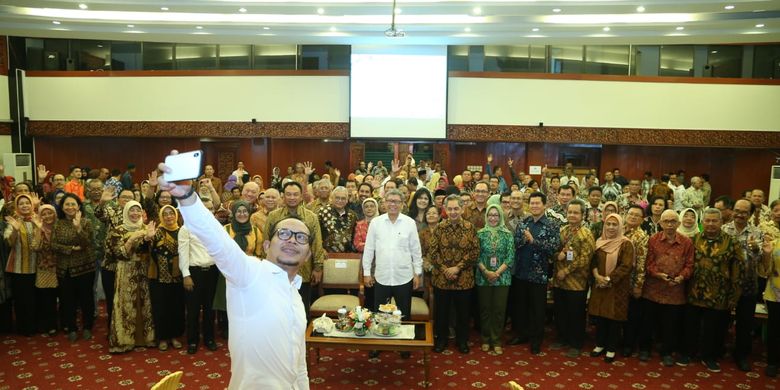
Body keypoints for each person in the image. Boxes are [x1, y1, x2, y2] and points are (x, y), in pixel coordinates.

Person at [158, 154, 311, 389]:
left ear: (308, 254)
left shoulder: (296, 298)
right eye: (283, 234)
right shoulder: (249, 273)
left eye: (301, 237)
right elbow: (216, 239)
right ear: (267, 245)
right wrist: (187, 196)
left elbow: (300, 366)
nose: (292, 240)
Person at [678, 208, 744, 373]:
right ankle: (688, 353)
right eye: (707, 221)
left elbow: (738, 270)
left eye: (714, 221)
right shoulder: (693, 240)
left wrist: (734, 296)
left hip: (719, 294)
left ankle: (709, 357)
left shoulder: (731, 242)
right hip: (694, 292)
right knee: (690, 326)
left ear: (721, 223)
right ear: (702, 222)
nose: (710, 224)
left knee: (713, 328)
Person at [362, 189, 423, 359]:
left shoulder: (410, 223)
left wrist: (417, 272)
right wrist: (367, 273)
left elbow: (416, 250)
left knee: (403, 313)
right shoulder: (376, 223)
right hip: (381, 276)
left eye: (397, 201)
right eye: (390, 201)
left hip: (404, 276)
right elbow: (369, 249)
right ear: (384, 203)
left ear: (402, 204)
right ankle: (378, 344)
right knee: (380, 313)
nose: (393, 204)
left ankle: (404, 344)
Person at [639, 209, 694, 367]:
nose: (669, 224)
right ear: (661, 223)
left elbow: (690, 265)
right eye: (666, 221)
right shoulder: (653, 240)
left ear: (678, 223)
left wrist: (681, 277)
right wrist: (658, 274)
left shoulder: (687, 242)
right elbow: (648, 263)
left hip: (675, 291)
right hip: (653, 288)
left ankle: (667, 352)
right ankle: (645, 349)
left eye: (673, 221)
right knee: (648, 322)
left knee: (671, 325)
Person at [509, 192, 561, 355]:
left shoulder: (552, 224)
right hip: (521, 272)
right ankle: (522, 335)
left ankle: (536, 340)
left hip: (539, 274)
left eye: (537, 203)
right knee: (521, 307)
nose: (534, 206)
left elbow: (553, 248)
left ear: (544, 205)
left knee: (537, 309)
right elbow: (515, 243)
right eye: (532, 203)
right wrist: (523, 240)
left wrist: (533, 241)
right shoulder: (524, 222)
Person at [430, 195, 479, 354]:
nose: (453, 212)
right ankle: (441, 340)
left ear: (462, 208)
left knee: (463, 313)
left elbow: (474, 252)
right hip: (441, 279)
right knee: (442, 312)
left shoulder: (470, 228)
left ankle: (462, 341)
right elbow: (433, 252)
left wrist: (457, 268)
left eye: (456, 208)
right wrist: (446, 269)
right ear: (444, 209)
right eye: (449, 209)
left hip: (463, 279)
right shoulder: (439, 228)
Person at [721, 199, 764, 371]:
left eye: (744, 212)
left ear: (751, 214)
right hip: (725, 284)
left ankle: (741, 355)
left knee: (745, 322)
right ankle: (718, 349)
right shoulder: (724, 229)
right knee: (721, 319)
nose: (739, 214)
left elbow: (760, 259)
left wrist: (755, 250)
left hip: (748, 283)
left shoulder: (757, 232)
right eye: (737, 210)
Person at [108, 201, 155, 353]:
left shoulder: (146, 228)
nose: (135, 214)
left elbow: (153, 253)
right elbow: (119, 254)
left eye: (137, 210)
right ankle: (125, 340)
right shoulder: (118, 230)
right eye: (131, 211)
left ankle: (146, 338)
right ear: (126, 212)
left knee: (145, 303)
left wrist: (149, 240)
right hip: (126, 270)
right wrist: (131, 239)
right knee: (126, 304)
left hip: (144, 270)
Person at [588, 213, 635, 364]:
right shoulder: (599, 242)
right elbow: (593, 261)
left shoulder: (626, 244)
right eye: (608, 224)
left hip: (617, 287)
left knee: (614, 318)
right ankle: (600, 344)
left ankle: (611, 348)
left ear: (620, 226)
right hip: (599, 285)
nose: (611, 227)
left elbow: (626, 266)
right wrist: (596, 276)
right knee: (601, 316)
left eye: (615, 225)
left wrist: (609, 279)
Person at [552, 199, 595, 358]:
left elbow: (586, 259)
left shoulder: (587, 233)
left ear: (583, 215)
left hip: (576, 282)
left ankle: (576, 343)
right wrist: (558, 255)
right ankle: (562, 338)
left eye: (576, 212)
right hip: (559, 281)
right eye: (570, 212)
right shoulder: (563, 230)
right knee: (561, 312)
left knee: (576, 314)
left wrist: (567, 270)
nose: (572, 215)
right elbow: (554, 251)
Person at [475, 204, 515, 355]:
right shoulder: (480, 234)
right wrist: (486, 272)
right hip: (483, 277)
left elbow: (510, 257)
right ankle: (485, 339)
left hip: (502, 278)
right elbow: (476, 256)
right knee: (485, 309)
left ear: (500, 217)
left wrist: (497, 273)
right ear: (487, 217)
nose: (493, 218)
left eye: (496, 215)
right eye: (490, 215)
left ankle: (496, 340)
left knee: (499, 310)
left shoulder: (507, 234)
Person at [179, 212, 219, 354]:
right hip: (194, 272)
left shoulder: (213, 227)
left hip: (212, 272)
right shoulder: (186, 228)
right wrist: (185, 274)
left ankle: (209, 339)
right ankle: (192, 341)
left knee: (210, 308)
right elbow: (183, 252)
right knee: (193, 309)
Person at [149, 205, 185, 351]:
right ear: (161, 216)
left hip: (178, 278)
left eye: (172, 213)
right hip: (159, 278)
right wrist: (147, 238)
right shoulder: (157, 232)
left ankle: (175, 336)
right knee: (161, 308)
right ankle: (162, 337)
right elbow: (144, 249)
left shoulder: (182, 231)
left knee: (177, 308)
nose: (169, 216)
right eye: (166, 214)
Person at [3, 194, 40, 336]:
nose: (25, 205)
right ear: (17, 207)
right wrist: (15, 230)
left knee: (35, 299)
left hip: (37, 266)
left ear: (32, 205)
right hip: (19, 268)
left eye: (27, 203)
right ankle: (24, 327)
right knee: (22, 300)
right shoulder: (14, 221)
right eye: (21, 204)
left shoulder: (37, 218)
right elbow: (10, 244)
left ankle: (36, 325)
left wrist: (38, 227)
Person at [34, 204, 59, 335]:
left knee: (64, 298)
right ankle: (51, 325)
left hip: (60, 268)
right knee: (47, 300)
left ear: (55, 214)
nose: (47, 216)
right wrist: (39, 230)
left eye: (50, 213)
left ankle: (64, 323)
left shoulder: (60, 226)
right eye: (44, 214)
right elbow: (35, 247)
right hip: (44, 269)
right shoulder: (38, 228)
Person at [761, 233, 780, 377]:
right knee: (775, 329)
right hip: (776, 294)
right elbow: (765, 271)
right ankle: (772, 362)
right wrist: (767, 255)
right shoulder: (774, 244)